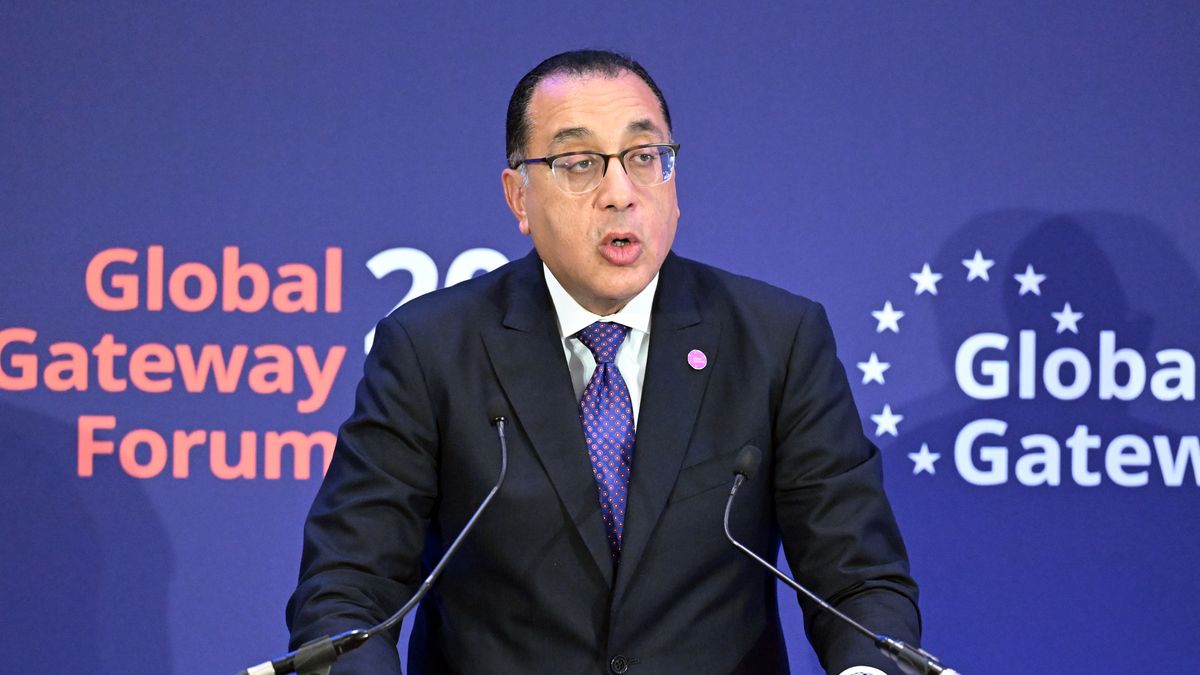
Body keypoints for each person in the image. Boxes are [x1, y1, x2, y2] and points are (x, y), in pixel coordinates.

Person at [287, 50, 921, 675]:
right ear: (518, 197)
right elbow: (349, 585)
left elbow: (859, 580)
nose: (621, 194)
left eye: (645, 157)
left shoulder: (777, 340)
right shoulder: (429, 349)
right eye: (579, 163)